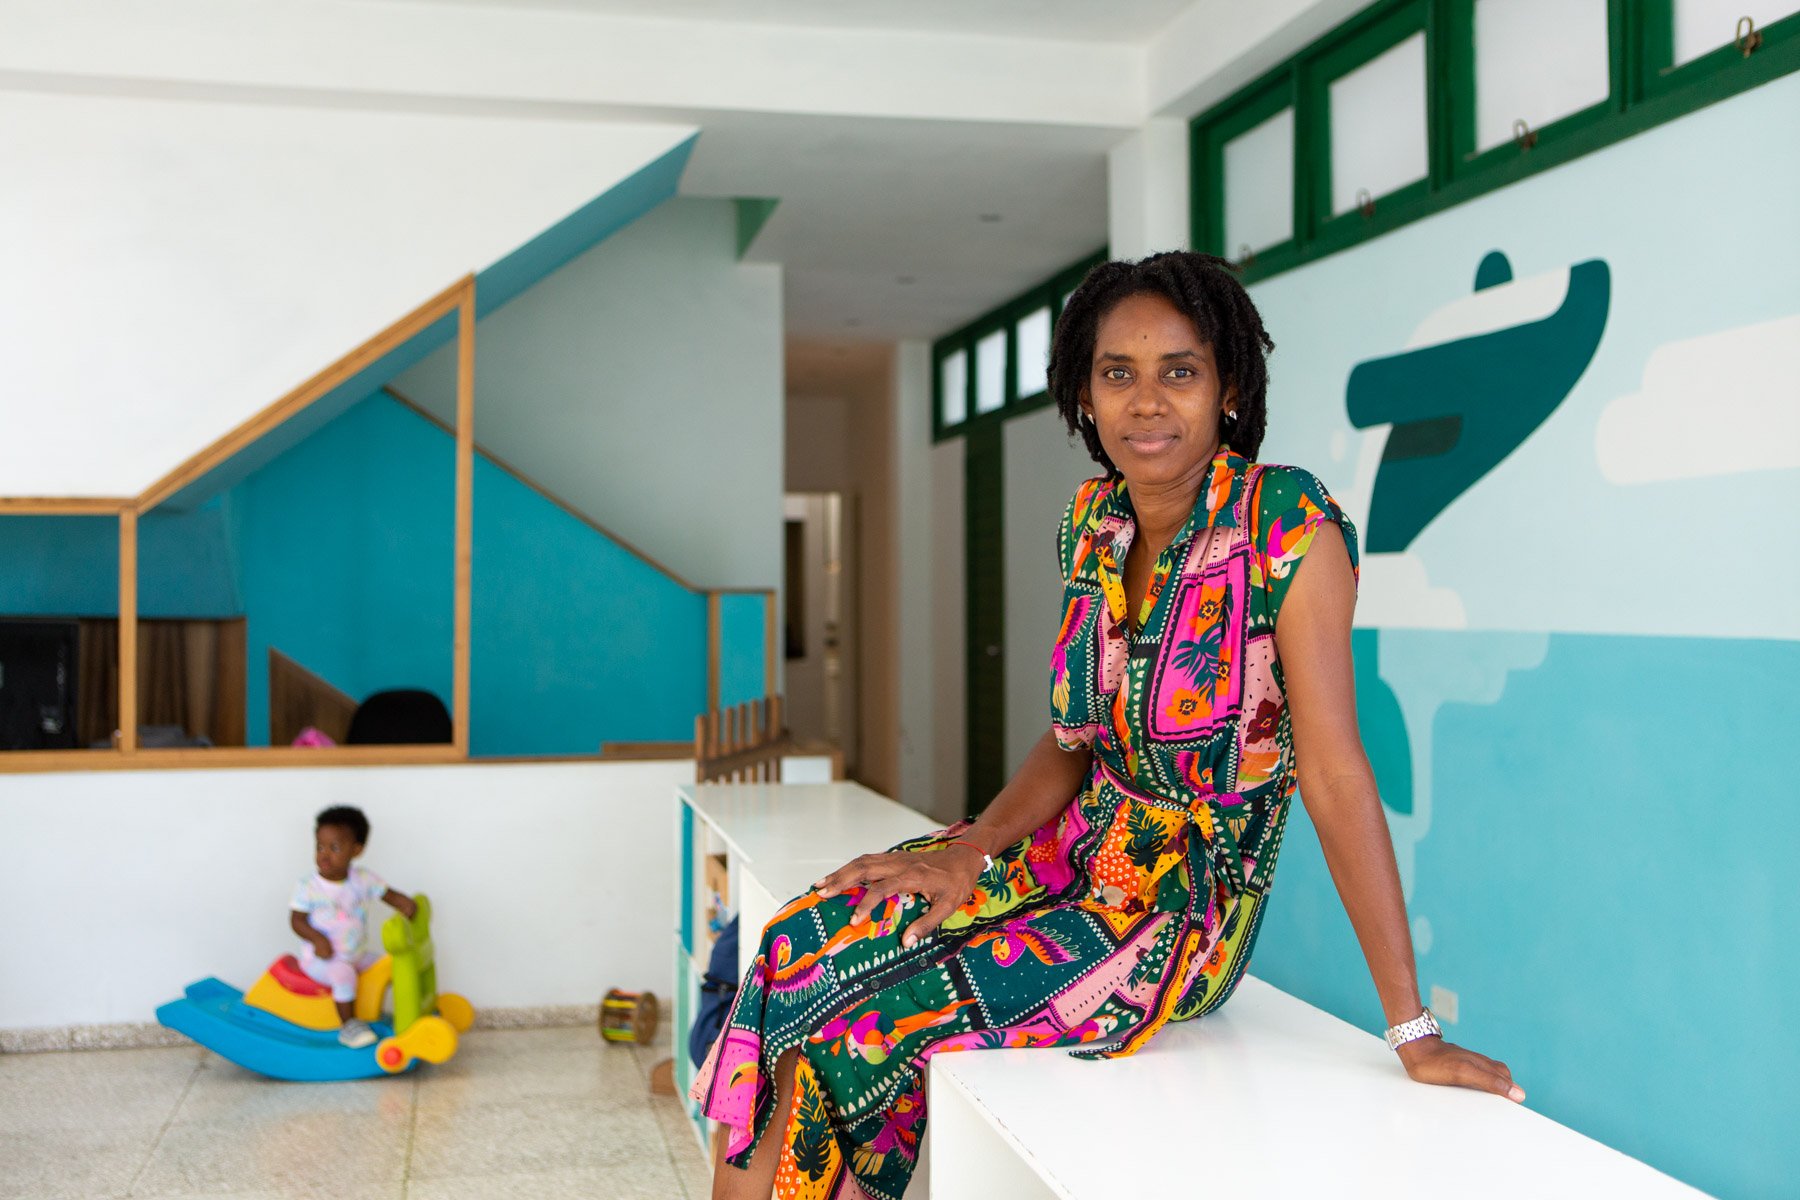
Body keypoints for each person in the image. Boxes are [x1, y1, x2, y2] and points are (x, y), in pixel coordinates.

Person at [692, 251, 1521, 1200]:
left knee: (866, 1015)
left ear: (1231, 389)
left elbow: (1334, 777)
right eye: (1116, 373)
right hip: (1055, 856)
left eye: (1180, 370)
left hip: (1173, 912)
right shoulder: (1091, 524)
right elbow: (1070, 742)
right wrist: (970, 850)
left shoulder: (1287, 526)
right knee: (797, 948)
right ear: (1084, 395)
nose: (1145, 402)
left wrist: (1411, 1029)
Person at [288, 804, 417, 1047]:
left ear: (356, 850)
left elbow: (388, 895)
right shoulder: (308, 885)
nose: (324, 854)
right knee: (344, 974)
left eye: (334, 848)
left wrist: (406, 904)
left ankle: (409, 1013)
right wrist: (318, 940)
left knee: (390, 964)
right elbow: (296, 920)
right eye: (320, 847)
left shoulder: (362, 879)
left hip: (355, 954)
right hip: (322, 960)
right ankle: (348, 1026)